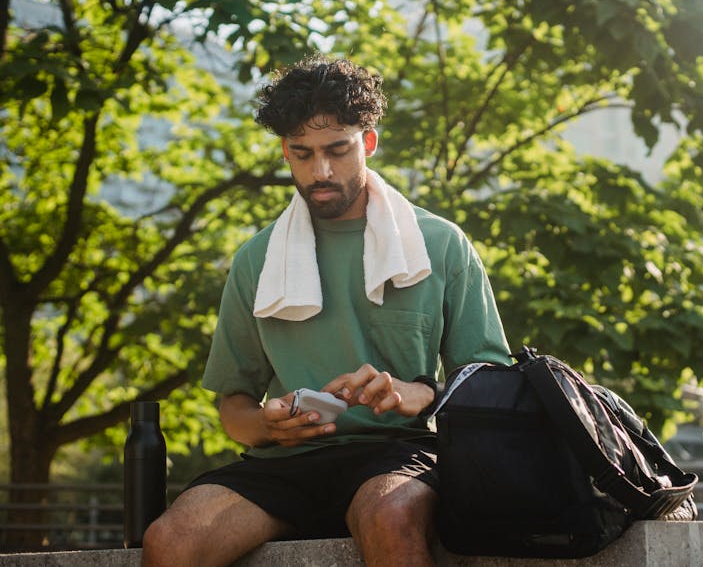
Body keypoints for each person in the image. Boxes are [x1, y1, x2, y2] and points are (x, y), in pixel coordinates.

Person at [142, 55, 511, 567]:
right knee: (170, 541)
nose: (320, 171)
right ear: (285, 153)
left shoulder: (441, 244)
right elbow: (235, 407)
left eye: (337, 150)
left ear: (369, 143)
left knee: (390, 516)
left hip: (399, 454)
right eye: (302, 154)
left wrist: (415, 392)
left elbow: (490, 386)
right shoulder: (256, 260)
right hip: (283, 464)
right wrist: (270, 425)